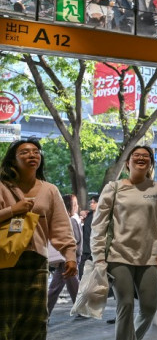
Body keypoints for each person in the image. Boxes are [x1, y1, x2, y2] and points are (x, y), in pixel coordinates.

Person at [90, 145, 157, 340]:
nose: (141, 158)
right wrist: (98, 257)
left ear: (151, 163)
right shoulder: (114, 187)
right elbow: (99, 225)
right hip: (118, 255)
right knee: (125, 305)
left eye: (146, 156)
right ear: (128, 162)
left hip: (149, 257)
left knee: (149, 308)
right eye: (136, 155)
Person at [0, 138, 77, 338]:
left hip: (36, 262)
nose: (32, 155)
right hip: (4, 260)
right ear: (12, 160)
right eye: (24, 152)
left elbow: (61, 226)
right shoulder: (1, 186)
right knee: (4, 319)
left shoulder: (49, 190)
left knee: (35, 319)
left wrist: (70, 255)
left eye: (36, 151)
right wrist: (12, 210)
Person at [47, 194, 82, 315]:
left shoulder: (70, 219)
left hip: (66, 258)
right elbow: (75, 239)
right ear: (69, 206)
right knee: (67, 285)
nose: (77, 206)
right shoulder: (71, 220)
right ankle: (81, 309)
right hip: (69, 258)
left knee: (60, 286)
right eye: (75, 204)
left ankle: (45, 311)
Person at [79, 195, 98, 278]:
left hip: (96, 247)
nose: (91, 204)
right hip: (85, 247)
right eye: (91, 202)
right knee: (81, 269)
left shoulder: (103, 216)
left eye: (94, 202)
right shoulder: (88, 215)